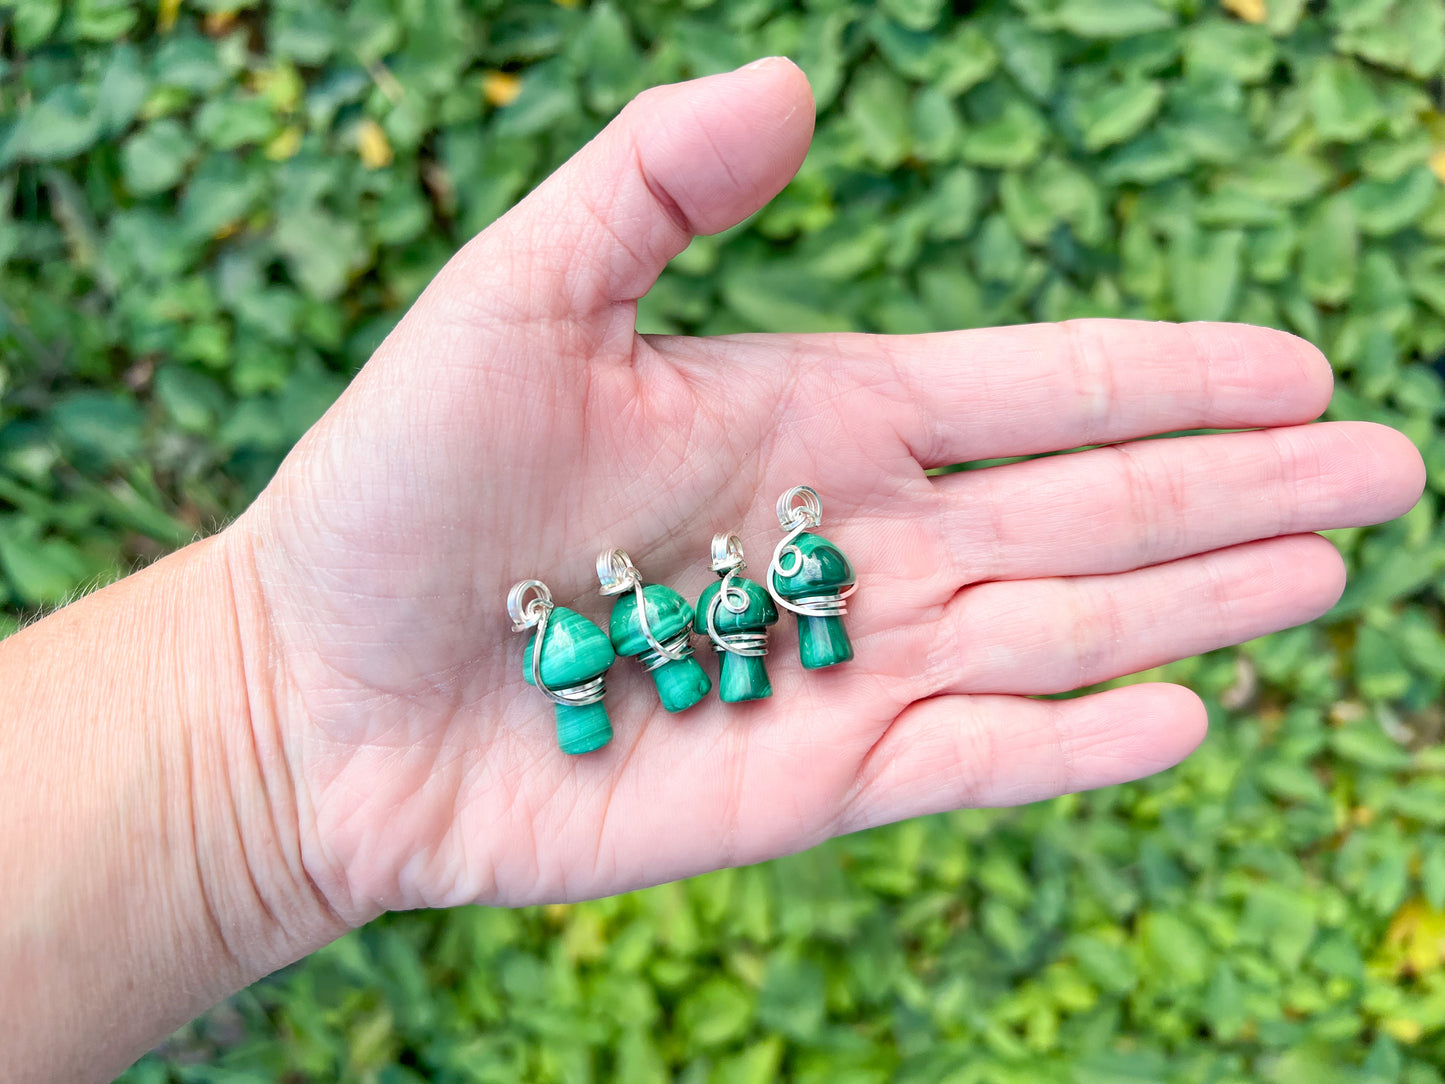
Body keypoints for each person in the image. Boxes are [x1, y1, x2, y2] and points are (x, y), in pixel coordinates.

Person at [0, 59, 1426, 1082]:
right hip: (693, 644)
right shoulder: (604, 631)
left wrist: (260, 738)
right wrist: (273, 710)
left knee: (720, 660)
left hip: (718, 637)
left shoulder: (707, 599)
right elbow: (649, 633)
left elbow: (703, 617)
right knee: (695, 666)